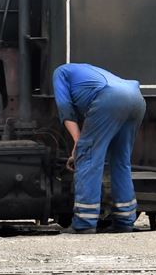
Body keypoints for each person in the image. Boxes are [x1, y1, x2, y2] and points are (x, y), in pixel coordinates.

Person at [52, 62, 146, 234]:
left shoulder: (60, 73)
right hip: (136, 97)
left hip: (110, 97)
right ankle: (125, 221)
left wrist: (77, 143)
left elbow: (65, 108)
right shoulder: (86, 71)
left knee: (88, 157)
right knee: (121, 161)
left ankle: (84, 222)